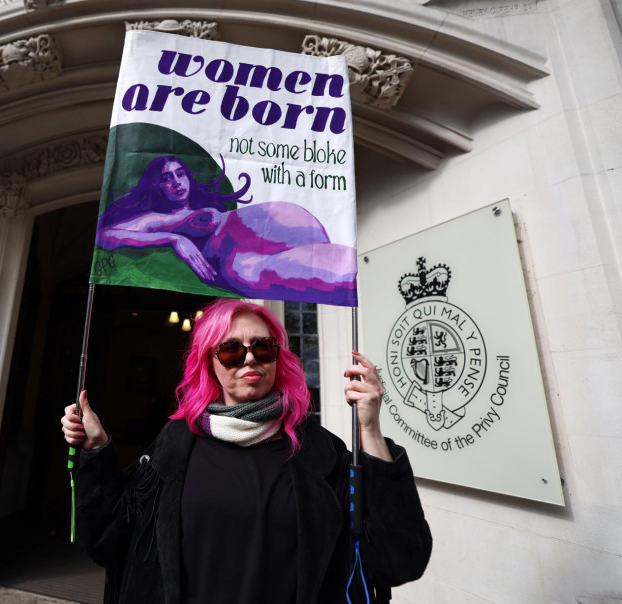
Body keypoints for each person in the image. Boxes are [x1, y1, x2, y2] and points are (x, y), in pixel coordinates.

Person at [61, 299, 431, 603]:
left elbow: (400, 560)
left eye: (263, 347)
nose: (249, 359)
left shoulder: (320, 453)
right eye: (231, 350)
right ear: (210, 363)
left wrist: (370, 429)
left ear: (277, 357)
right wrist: (96, 448)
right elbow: (109, 541)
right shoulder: (173, 446)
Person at [96, 156, 357, 305]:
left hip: (286, 238)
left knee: (337, 258)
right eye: (167, 178)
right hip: (242, 261)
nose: (177, 182)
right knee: (340, 276)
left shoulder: (203, 205)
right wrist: (173, 238)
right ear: (157, 186)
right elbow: (106, 235)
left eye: (180, 174)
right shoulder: (158, 218)